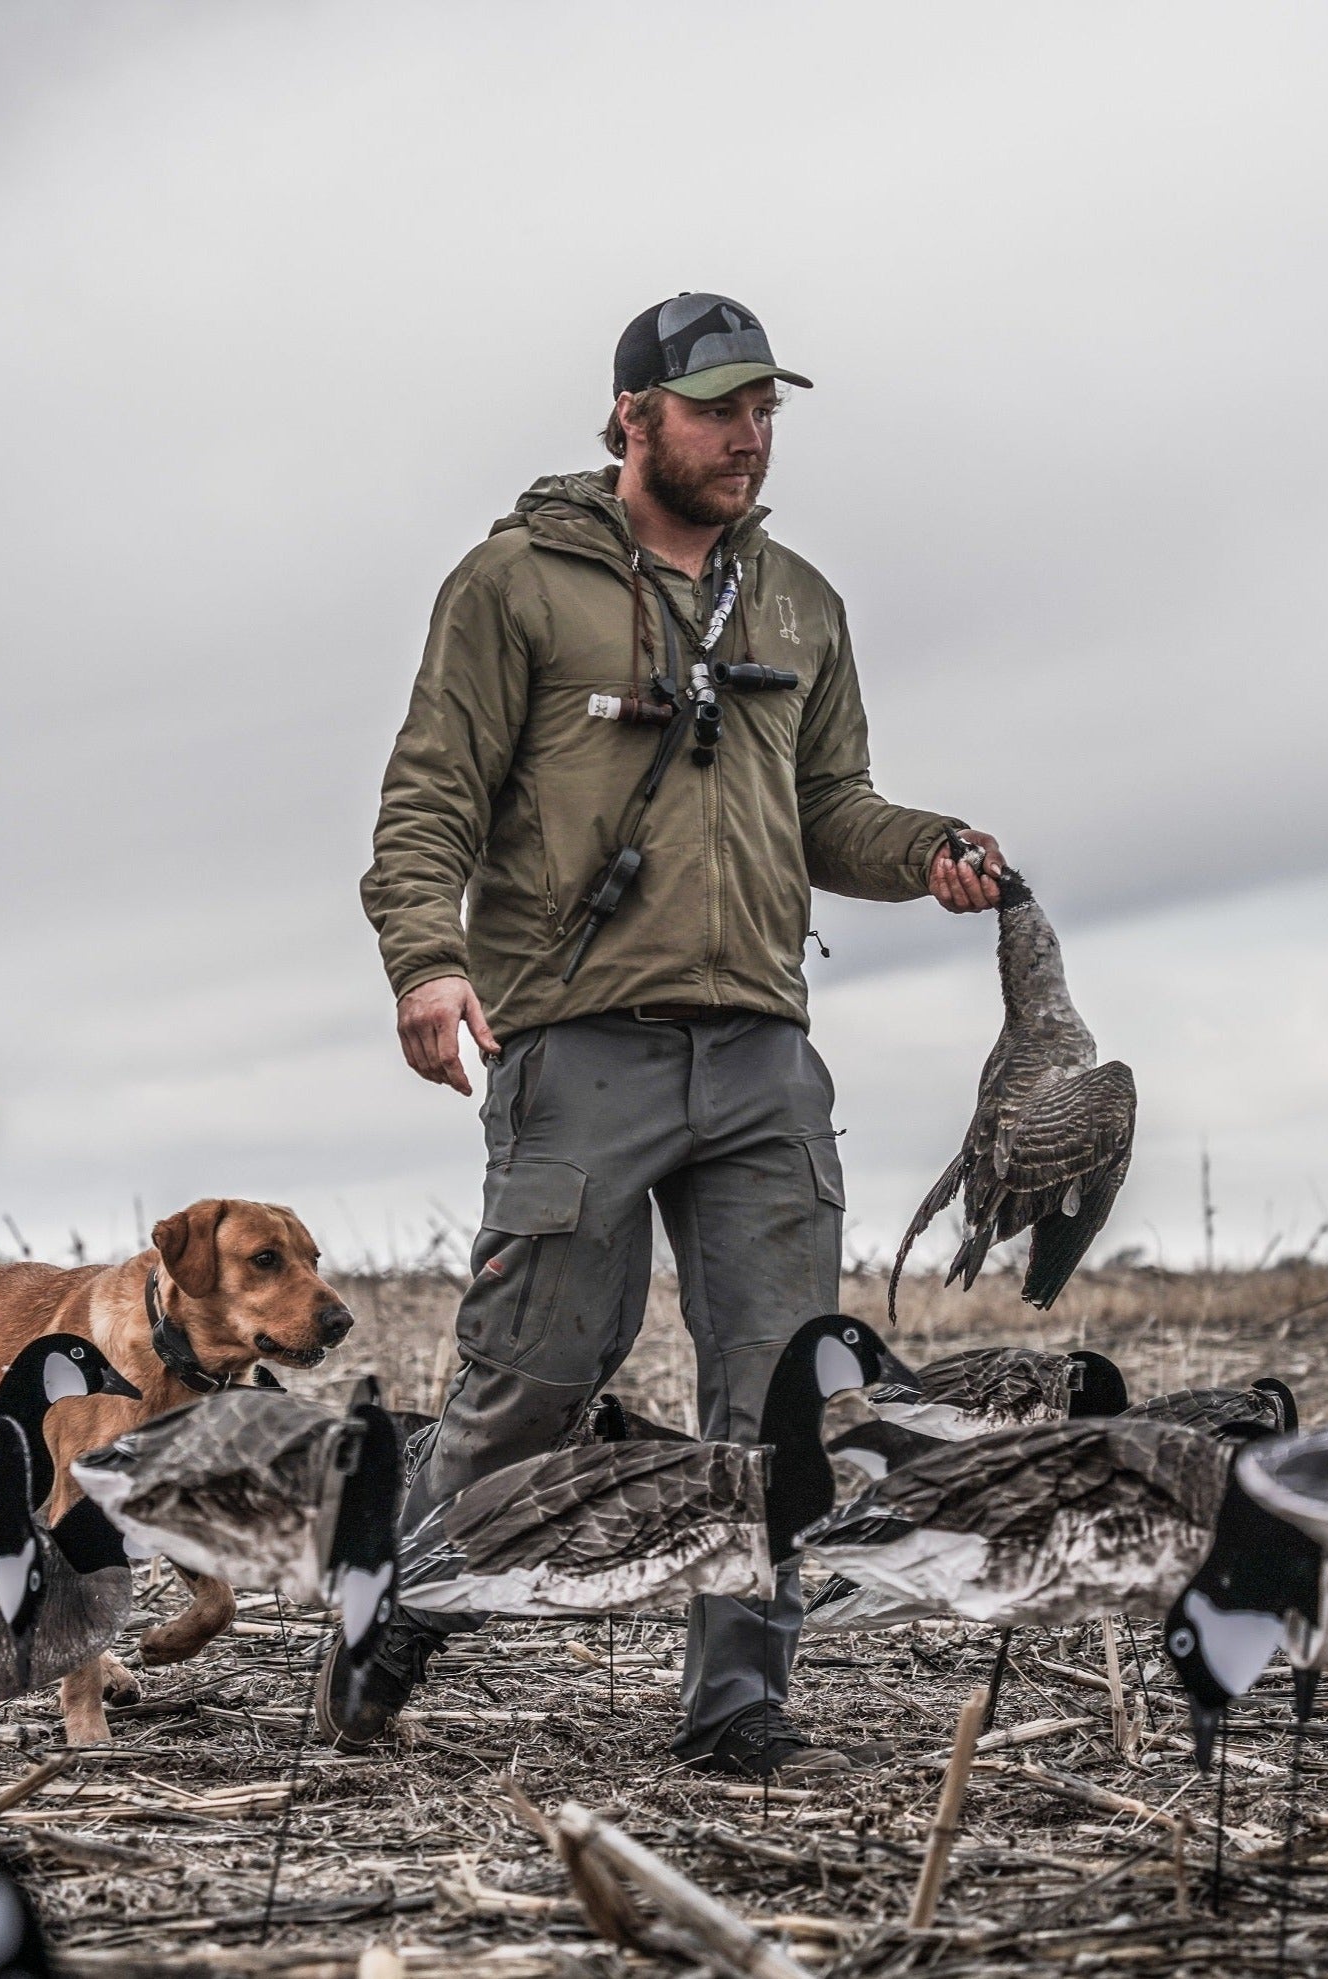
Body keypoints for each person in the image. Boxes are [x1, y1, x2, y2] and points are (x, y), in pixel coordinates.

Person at [329, 293, 1005, 1778]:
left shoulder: (803, 601)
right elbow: (428, 795)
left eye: (766, 409)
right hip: (580, 1045)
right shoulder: (512, 585)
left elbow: (832, 812)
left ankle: (737, 1702)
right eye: (716, 408)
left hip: (763, 1052)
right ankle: (398, 1610)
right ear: (633, 418)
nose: (749, 437)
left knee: (778, 1390)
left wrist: (930, 850)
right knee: (531, 1393)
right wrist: (429, 965)